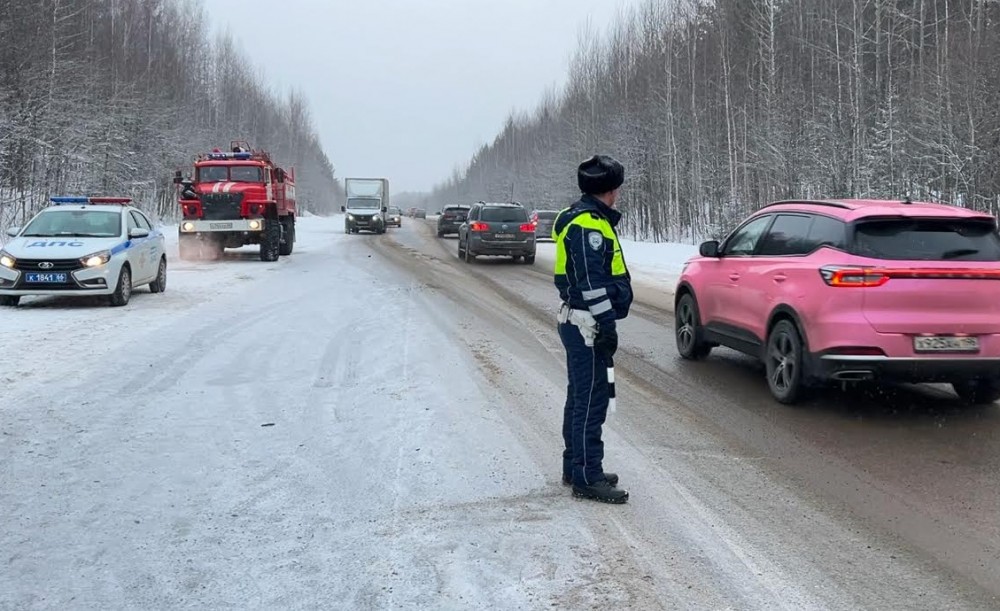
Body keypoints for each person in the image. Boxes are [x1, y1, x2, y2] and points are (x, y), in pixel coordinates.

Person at [553, 155, 633, 504]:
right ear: (610, 189)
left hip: (580, 320)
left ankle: (576, 465)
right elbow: (590, 283)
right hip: (587, 323)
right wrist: (606, 324)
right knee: (591, 399)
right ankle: (588, 475)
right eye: (616, 186)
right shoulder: (589, 226)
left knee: (580, 396)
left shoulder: (580, 218)